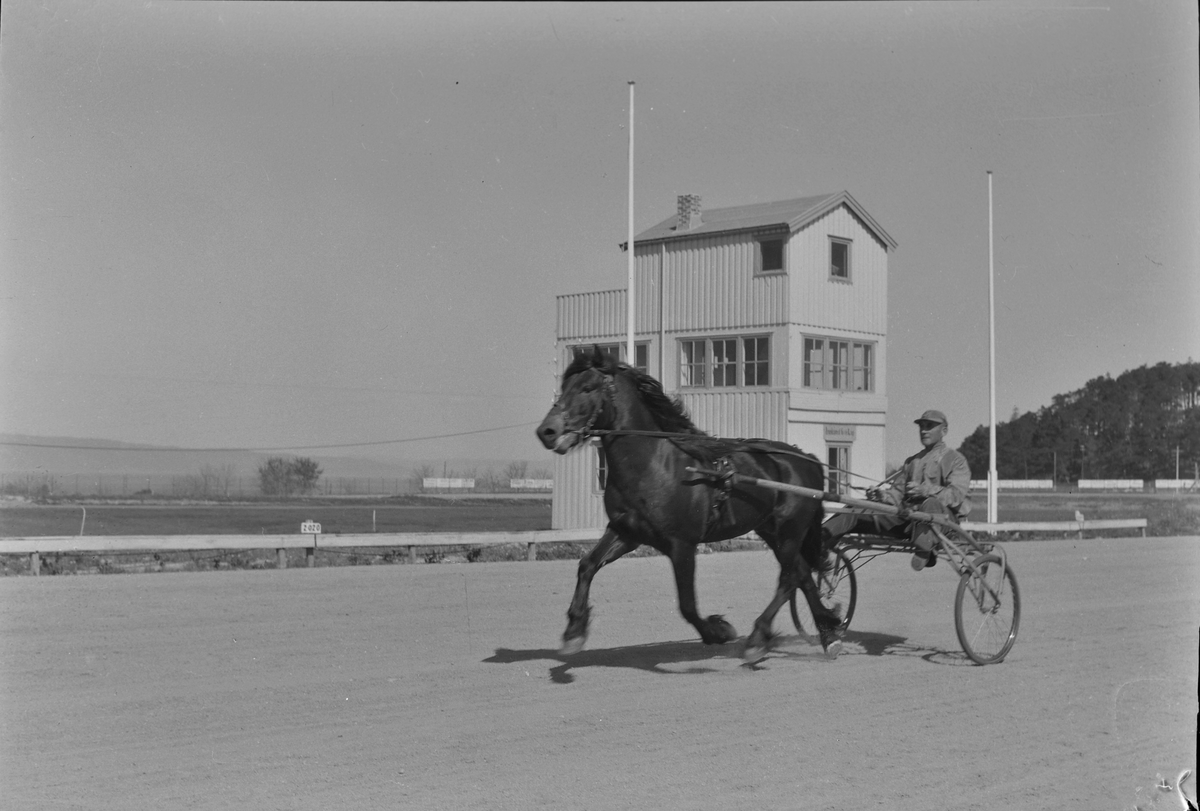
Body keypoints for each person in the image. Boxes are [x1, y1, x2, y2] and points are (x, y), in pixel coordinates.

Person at [821, 409, 972, 571]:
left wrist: (926, 490)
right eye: (921, 426)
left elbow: (956, 495)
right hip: (907, 519)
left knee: (930, 504)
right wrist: (882, 496)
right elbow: (897, 494)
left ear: (944, 431)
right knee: (854, 509)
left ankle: (924, 548)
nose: (924, 430)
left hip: (941, 521)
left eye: (930, 426)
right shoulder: (912, 461)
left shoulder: (956, 460)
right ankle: (818, 541)